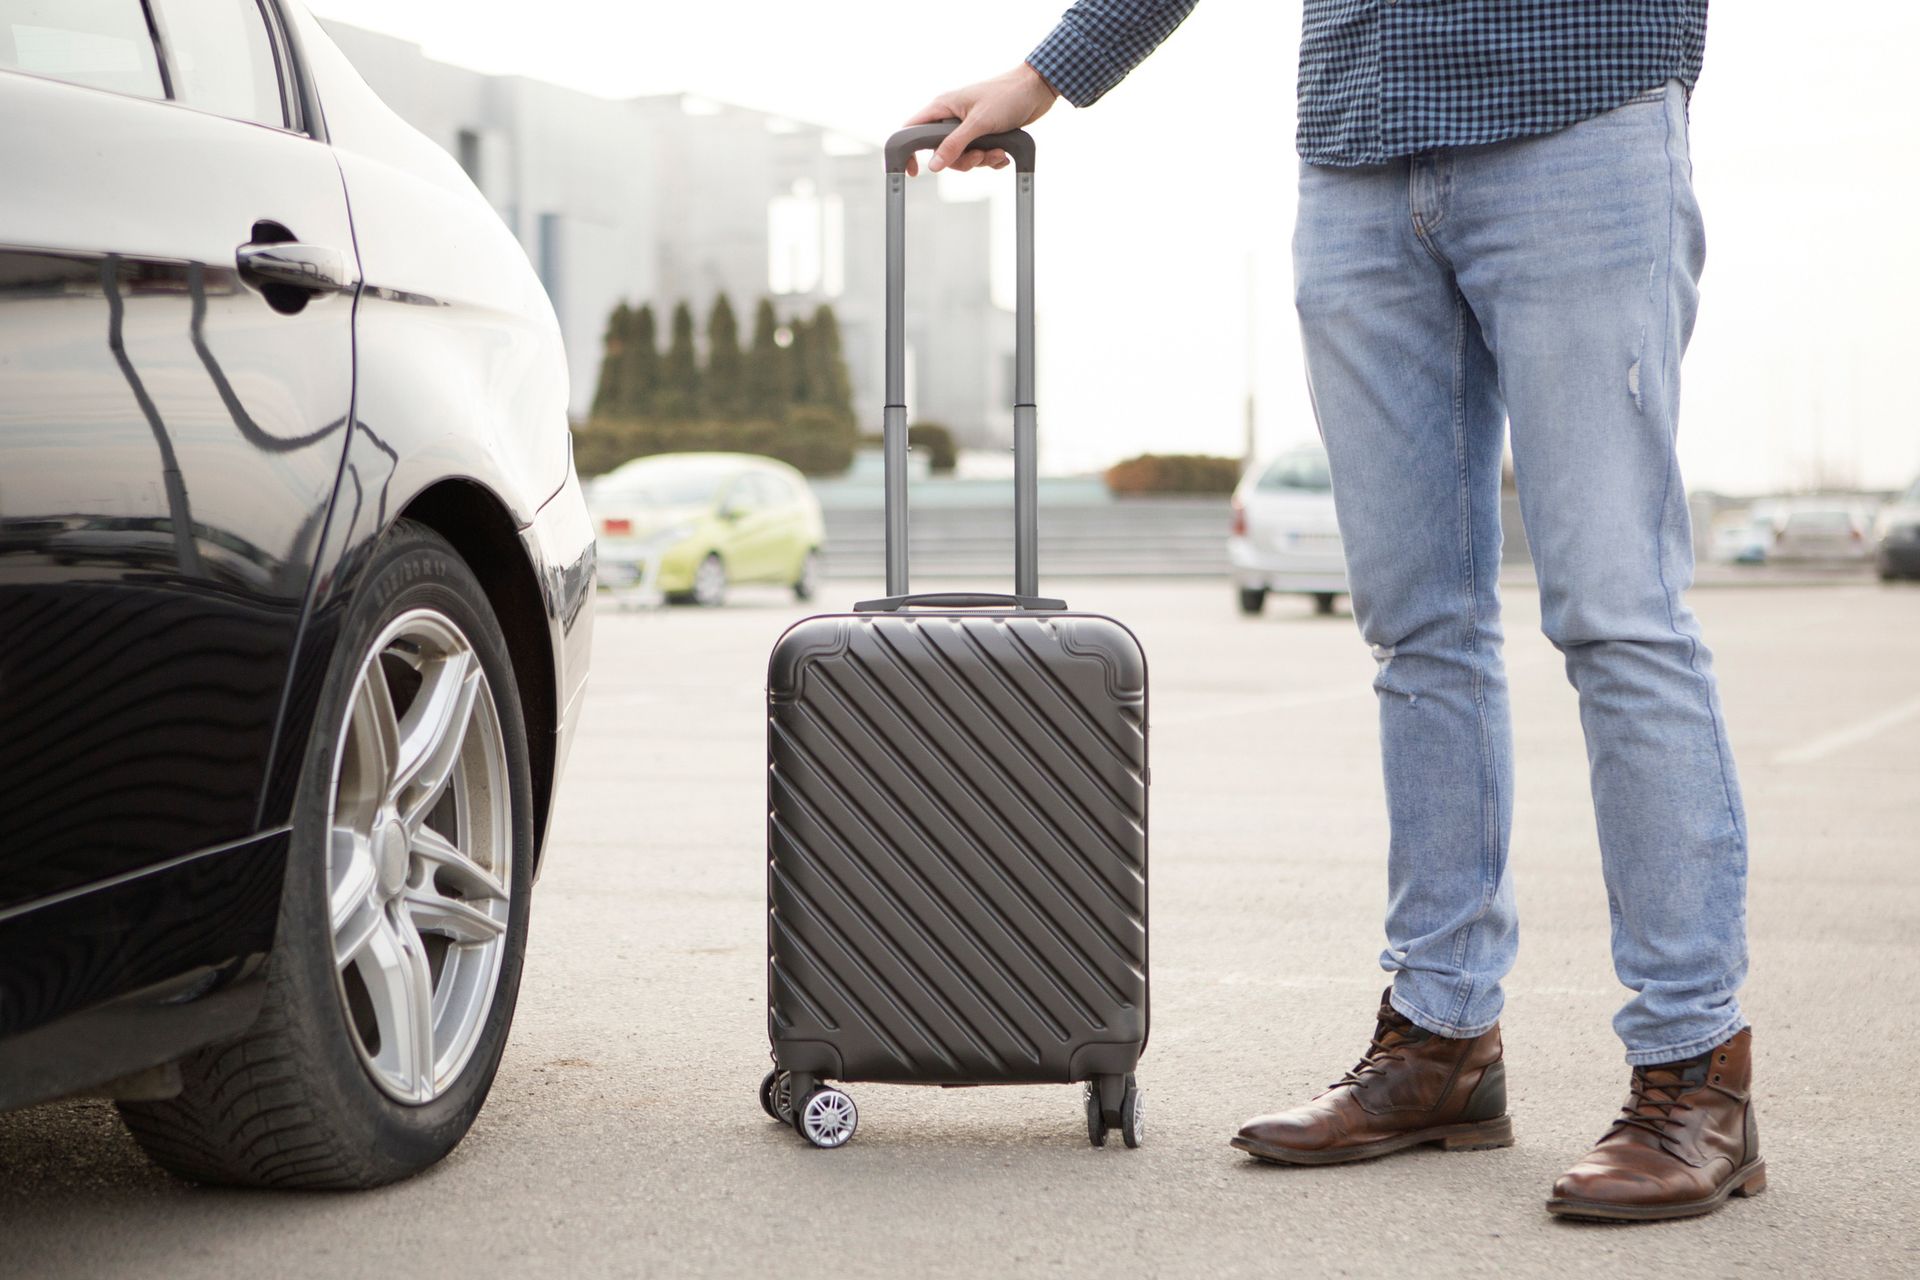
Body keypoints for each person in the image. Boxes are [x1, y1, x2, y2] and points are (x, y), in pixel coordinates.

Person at [905, 0, 1761, 1222]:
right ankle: (1441, 1041)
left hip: (1581, 111)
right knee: (1419, 631)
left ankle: (1697, 1074)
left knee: (1619, 614)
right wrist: (1051, 72)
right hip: (1362, 148)